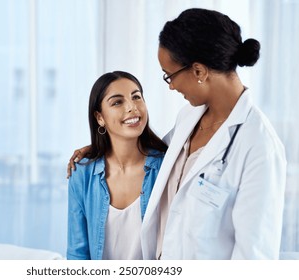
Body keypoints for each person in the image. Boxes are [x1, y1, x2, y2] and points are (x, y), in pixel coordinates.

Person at [68, 8, 286, 260]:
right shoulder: (188, 118)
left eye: (169, 75)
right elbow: (147, 150)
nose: (170, 86)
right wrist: (98, 148)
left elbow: (254, 258)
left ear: (199, 71)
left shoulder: (259, 147)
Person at [67, 71, 167, 260]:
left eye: (136, 97)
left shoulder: (167, 167)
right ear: (99, 117)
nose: (132, 107)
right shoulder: (82, 173)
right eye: (117, 102)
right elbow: (77, 253)